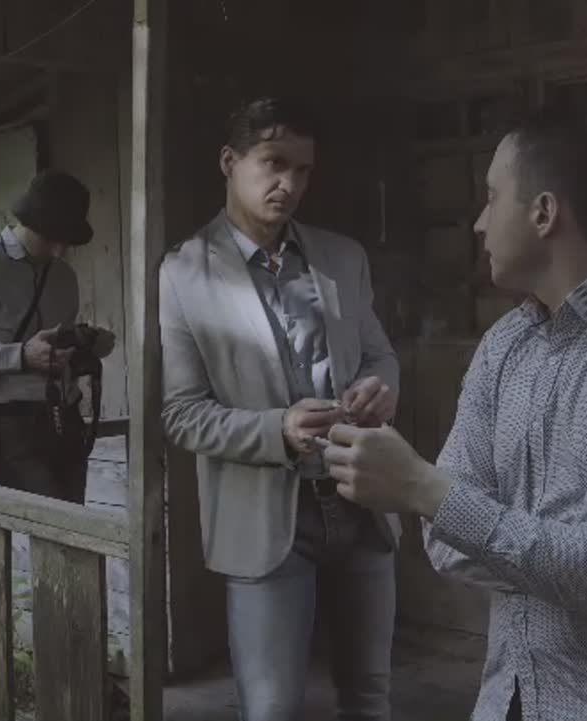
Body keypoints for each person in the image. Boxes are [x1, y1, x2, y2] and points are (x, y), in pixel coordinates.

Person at [321, 109, 587, 720]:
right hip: (508, 697)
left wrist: (424, 487)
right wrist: (584, 568)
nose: (478, 222)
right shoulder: (504, 345)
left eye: (492, 197)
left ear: (544, 213)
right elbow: (444, 544)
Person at [158, 96, 401, 721]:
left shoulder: (342, 257)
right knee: (271, 709)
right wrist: (277, 430)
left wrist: (381, 386)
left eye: (302, 169)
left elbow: (378, 353)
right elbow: (182, 413)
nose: (289, 183)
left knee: (370, 697)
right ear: (229, 161)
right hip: (265, 518)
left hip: (360, 499)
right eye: (273, 162)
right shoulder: (183, 273)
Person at [0, 170, 115, 503]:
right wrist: (21, 356)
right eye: (50, 238)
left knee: (75, 523)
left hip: (66, 416)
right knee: (54, 524)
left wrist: (84, 344)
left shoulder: (64, 276)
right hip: (10, 423)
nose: (59, 250)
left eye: (66, 241)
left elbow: (54, 346)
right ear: (29, 223)